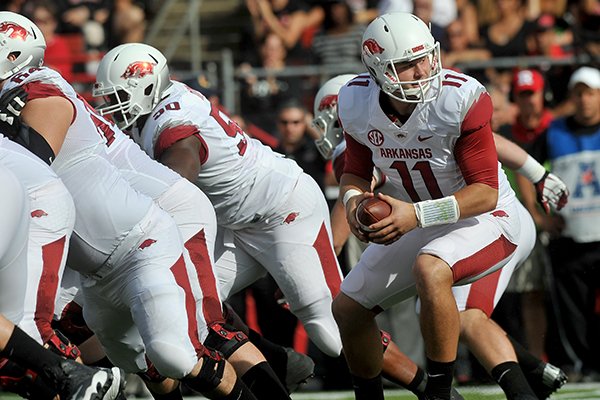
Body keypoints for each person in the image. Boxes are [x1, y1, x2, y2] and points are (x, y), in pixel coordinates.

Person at [92, 41, 446, 398]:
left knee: (330, 331)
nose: (111, 106)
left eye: (118, 95)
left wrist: (143, 206)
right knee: (191, 307)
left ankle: (430, 390)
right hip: (234, 224)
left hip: (282, 210)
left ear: (149, 86)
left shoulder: (173, 120)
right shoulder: (152, 114)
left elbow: (182, 167)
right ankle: (276, 360)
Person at [0, 11, 257, 400]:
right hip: (94, 275)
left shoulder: (39, 86)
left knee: (175, 355)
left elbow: (34, 165)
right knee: (136, 369)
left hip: (140, 246)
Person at [331, 13, 564, 400]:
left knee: (431, 268)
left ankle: (439, 394)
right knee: (348, 308)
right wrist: (354, 203)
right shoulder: (356, 102)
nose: (422, 70)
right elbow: (355, 172)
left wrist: (415, 215)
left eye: (425, 57)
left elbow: (485, 192)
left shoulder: (459, 98)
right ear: (377, 69)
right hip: (421, 218)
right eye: (406, 64)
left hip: (488, 218)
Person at [0, 161, 124, 400]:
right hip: (28, 193)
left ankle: (69, 375)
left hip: (34, 199)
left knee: (30, 332)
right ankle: (72, 376)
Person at [522, 66, 600, 382]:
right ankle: (580, 364)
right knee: (573, 310)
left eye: (590, 93)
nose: (584, 100)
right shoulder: (554, 133)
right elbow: (526, 169)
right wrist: (539, 217)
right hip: (569, 237)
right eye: (578, 93)